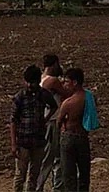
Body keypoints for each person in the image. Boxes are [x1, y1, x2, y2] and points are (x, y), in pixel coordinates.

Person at [11, 64, 59, 192]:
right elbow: (13, 121)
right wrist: (14, 144)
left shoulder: (44, 94)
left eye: (32, 82)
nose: (29, 85)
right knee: (20, 176)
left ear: (38, 81)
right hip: (23, 142)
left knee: (34, 175)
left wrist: (45, 119)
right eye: (28, 82)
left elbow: (54, 106)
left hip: (38, 141)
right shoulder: (20, 97)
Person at [39, 54, 71, 192]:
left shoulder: (41, 78)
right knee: (53, 157)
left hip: (47, 121)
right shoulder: (52, 81)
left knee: (51, 155)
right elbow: (67, 93)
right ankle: (46, 186)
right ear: (53, 65)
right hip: (53, 122)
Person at [56, 67, 91, 192]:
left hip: (69, 136)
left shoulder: (68, 103)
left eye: (67, 82)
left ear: (74, 82)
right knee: (84, 174)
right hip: (83, 136)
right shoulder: (89, 98)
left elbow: (59, 121)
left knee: (69, 175)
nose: (65, 85)